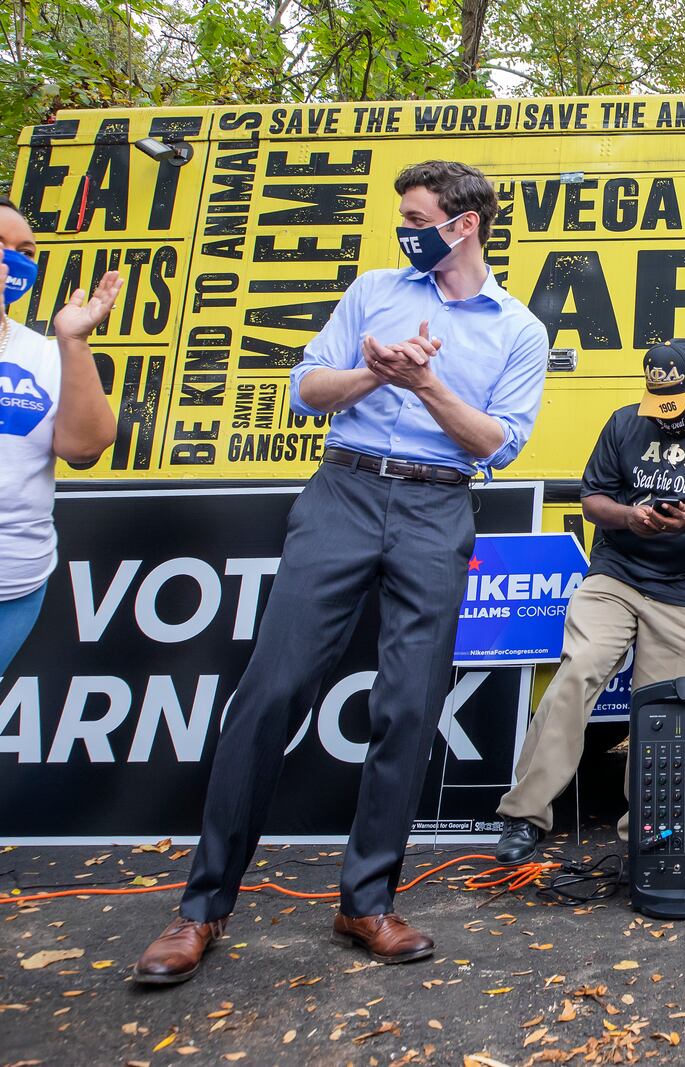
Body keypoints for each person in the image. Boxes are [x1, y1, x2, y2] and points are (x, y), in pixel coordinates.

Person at [134, 161, 548, 985]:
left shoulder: (519, 329)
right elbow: (307, 388)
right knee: (272, 691)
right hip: (343, 493)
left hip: (437, 509)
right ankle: (201, 909)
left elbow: (497, 443)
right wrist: (373, 371)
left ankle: (367, 900)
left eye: (417, 215)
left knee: (408, 706)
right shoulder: (373, 291)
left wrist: (423, 381)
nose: (405, 227)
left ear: (462, 225)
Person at [494, 338, 685, 864]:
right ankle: (523, 817)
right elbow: (592, 498)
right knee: (580, 669)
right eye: (658, 405)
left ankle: (649, 832)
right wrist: (628, 517)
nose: (666, 419)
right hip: (616, 576)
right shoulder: (623, 422)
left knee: (667, 708)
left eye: (678, 406)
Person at [0, 197, 119, 673]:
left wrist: (74, 342)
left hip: (15, 586)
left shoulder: (44, 355)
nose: (14, 260)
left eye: (25, 251)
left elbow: (83, 447)